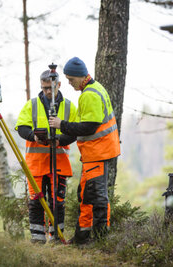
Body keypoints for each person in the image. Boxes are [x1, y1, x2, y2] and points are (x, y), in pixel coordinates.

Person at [49, 57, 121, 245]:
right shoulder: (93, 89)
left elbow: (88, 127)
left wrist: (61, 124)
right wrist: (61, 140)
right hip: (94, 154)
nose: (69, 84)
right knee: (86, 195)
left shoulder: (89, 95)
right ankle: (82, 237)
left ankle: (99, 240)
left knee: (96, 197)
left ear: (80, 77)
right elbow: (83, 128)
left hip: (98, 153)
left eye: (71, 79)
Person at [15, 69, 77, 244]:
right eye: (44, 88)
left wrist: (60, 140)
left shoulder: (69, 106)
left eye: (50, 87)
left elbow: (75, 131)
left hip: (59, 164)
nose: (47, 91)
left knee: (57, 202)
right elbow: (21, 127)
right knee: (36, 202)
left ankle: (56, 237)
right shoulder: (32, 105)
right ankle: (37, 239)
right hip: (36, 164)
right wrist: (33, 136)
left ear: (58, 85)